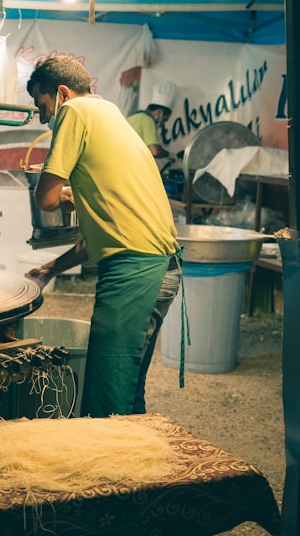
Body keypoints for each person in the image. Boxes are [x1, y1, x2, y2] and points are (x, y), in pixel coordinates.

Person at [24, 55, 182, 417]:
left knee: (106, 397)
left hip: (136, 271)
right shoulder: (109, 114)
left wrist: (62, 196)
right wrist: (50, 268)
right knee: (126, 389)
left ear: (62, 93)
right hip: (156, 265)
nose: (42, 117)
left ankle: (117, 474)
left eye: (42, 105)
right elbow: (109, 232)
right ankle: (142, 469)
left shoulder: (75, 112)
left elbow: (45, 199)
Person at [127, 80, 177, 159]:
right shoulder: (147, 120)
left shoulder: (132, 117)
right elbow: (155, 151)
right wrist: (170, 155)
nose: (162, 124)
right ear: (159, 112)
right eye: (164, 120)